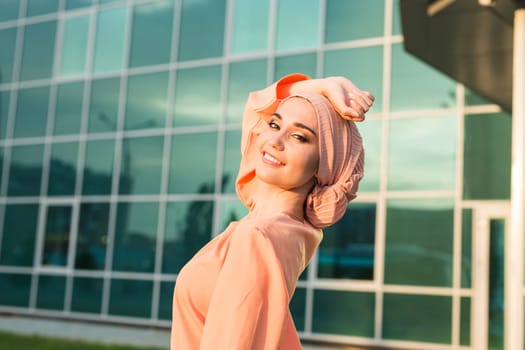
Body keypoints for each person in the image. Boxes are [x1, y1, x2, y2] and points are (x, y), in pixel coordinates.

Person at [170, 73, 374, 349]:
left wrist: (321, 88)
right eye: (275, 124)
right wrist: (325, 86)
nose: (274, 141)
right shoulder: (282, 228)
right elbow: (258, 106)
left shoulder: (258, 236)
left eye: (300, 137)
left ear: (324, 165)